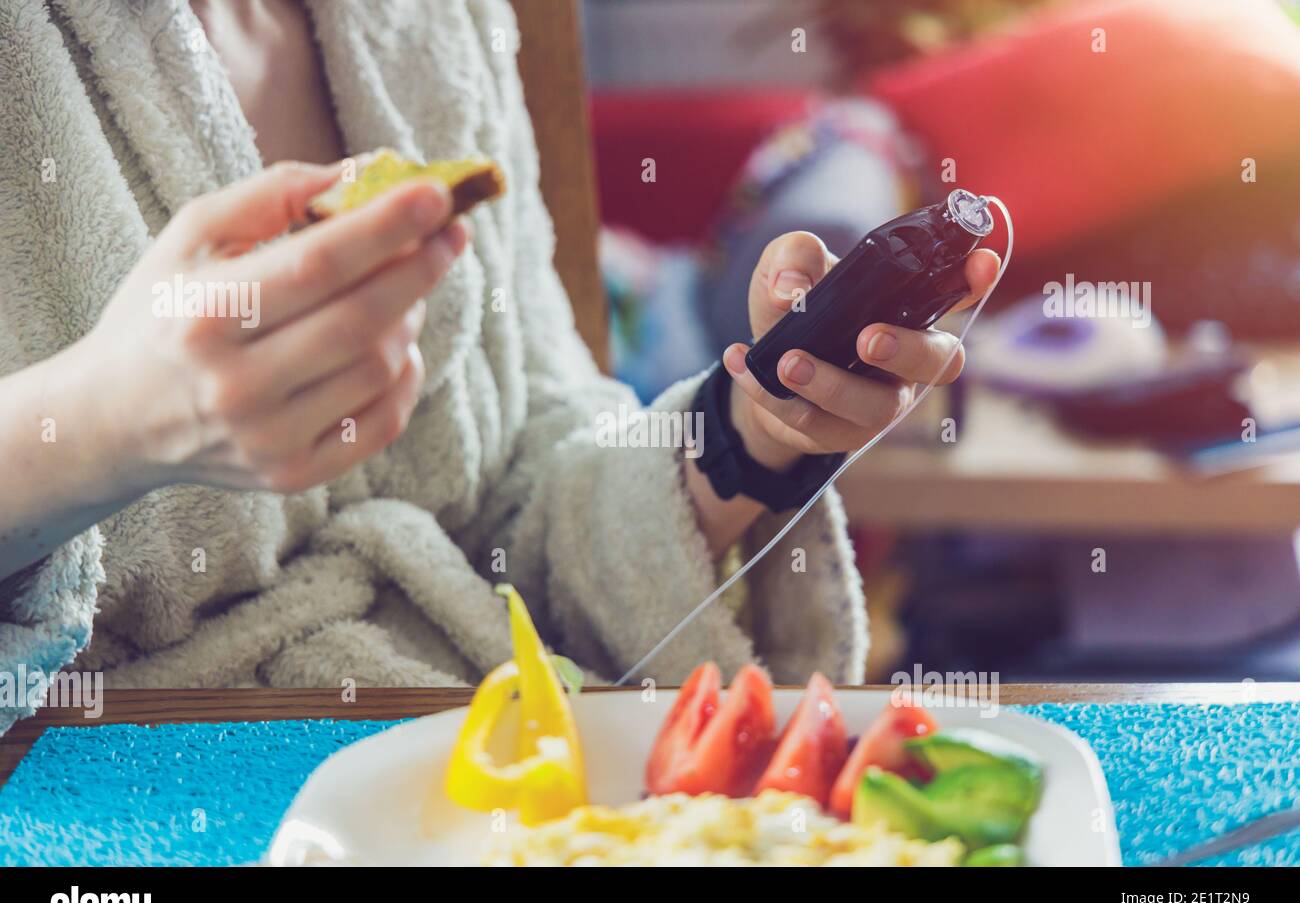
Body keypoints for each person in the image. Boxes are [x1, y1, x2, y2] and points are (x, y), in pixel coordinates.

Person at [0, 0, 996, 731]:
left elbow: (528, 460)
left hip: (469, 769)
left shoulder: (442, 18)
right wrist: (100, 427)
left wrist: (745, 436)